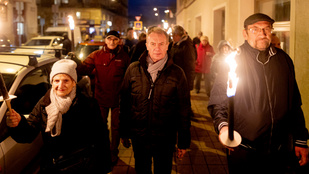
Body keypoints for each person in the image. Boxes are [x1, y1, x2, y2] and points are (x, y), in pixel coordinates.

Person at [208, 13, 309, 174]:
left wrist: (301, 140)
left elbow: (294, 103)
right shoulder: (234, 60)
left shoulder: (284, 60)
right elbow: (219, 101)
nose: (262, 34)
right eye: (255, 29)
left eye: (266, 29)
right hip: (245, 149)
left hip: (280, 150)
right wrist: (223, 127)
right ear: (245, 33)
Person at [6, 59, 112, 173]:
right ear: (52, 82)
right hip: (53, 166)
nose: (60, 85)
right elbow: (28, 134)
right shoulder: (44, 103)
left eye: (66, 80)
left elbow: (101, 137)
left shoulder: (88, 104)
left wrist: (104, 166)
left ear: (74, 82)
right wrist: (18, 123)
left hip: (82, 166)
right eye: (56, 80)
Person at [119, 27, 191, 174]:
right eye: (153, 43)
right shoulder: (133, 69)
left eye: (161, 43)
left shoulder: (177, 73)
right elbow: (125, 103)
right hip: (139, 137)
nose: (157, 48)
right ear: (146, 45)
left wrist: (183, 141)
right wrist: (124, 132)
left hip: (165, 138)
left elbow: (184, 109)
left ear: (168, 45)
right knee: (142, 169)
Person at [75, 30, 131, 166]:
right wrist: (74, 63)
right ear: (105, 40)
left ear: (119, 41)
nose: (112, 42)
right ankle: (103, 150)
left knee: (116, 127)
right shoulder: (96, 55)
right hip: (101, 98)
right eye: (109, 39)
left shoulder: (124, 57)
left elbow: (130, 77)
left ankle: (113, 152)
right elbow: (84, 69)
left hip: (118, 99)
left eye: (115, 39)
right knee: (101, 126)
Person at [168, 25, 196, 91]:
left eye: (174, 35)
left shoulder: (186, 46)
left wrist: (189, 83)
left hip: (183, 79)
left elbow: (190, 66)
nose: (173, 37)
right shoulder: (174, 44)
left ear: (178, 35)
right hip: (174, 78)